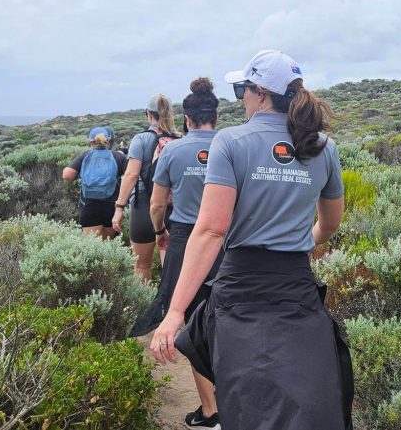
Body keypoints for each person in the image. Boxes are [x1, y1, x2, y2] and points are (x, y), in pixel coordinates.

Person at [150, 50, 352, 430]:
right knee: (305, 403)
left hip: (241, 290)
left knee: (249, 402)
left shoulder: (231, 142)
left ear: (259, 92)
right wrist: (297, 243)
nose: (241, 98)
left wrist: (175, 312)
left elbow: (211, 231)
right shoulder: (323, 147)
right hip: (296, 289)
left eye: (242, 89)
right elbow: (329, 225)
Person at [134, 77, 223, 429]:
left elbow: (157, 205)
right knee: (227, 319)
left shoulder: (172, 151)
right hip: (228, 241)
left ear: (186, 119)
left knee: (190, 321)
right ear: (216, 116)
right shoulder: (234, 145)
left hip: (186, 240)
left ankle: (210, 411)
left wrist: (160, 232)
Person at [112, 95, 180, 281]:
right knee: (172, 266)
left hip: (143, 204)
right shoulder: (179, 138)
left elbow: (131, 175)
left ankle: (146, 298)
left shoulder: (141, 139)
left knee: (142, 265)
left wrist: (119, 208)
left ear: (148, 114)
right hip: (173, 207)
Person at [62, 126, 128, 239]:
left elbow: (67, 175)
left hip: (88, 205)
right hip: (111, 205)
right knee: (108, 243)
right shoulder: (118, 157)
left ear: (91, 141)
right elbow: (130, 177)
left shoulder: (84, 156)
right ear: (108, 140)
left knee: (92, 244)